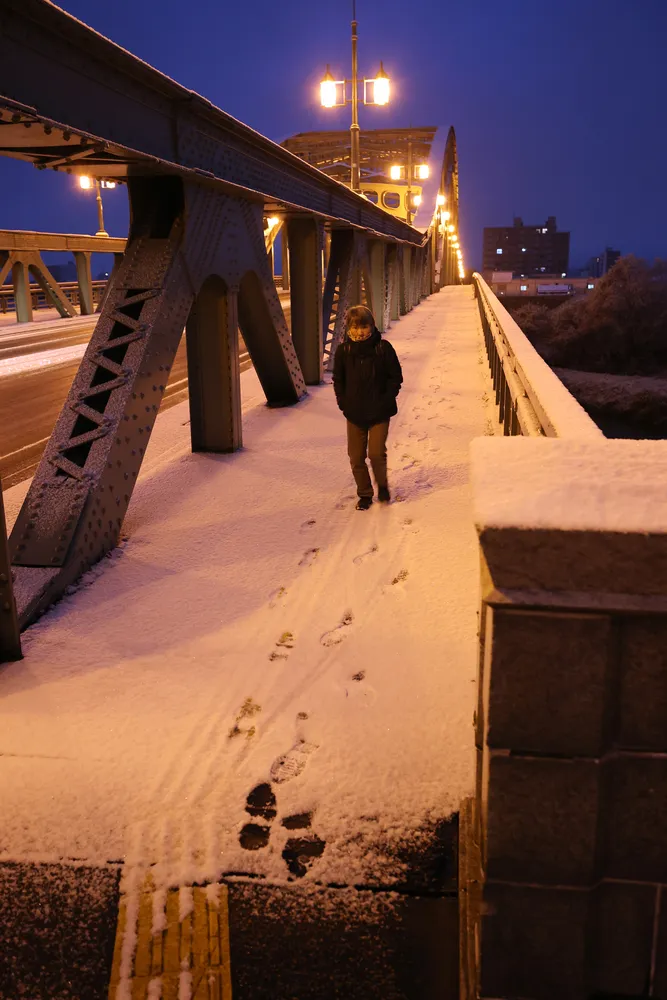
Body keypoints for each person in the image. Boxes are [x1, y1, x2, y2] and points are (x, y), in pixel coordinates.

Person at [332, 305, 403, 510]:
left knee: (376, 453)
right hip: (354, 413)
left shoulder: (383, 348)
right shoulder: (344, 351)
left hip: (380, 412)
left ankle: (382, 487)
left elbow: (395, 377)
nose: (360, 331)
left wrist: (386, 398)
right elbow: (338, 380)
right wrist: (343, 402)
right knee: (355, 457)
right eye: (356, 327)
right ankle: (364, 493)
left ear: (371, 326)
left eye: (364, 326)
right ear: (349, 328)